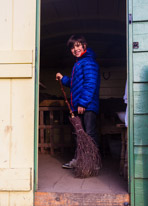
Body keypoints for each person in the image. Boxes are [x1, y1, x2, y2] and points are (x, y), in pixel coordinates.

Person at [56, 34, 100, 169]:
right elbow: (75, 83)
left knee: (89, 133)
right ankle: (79, 159)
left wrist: (82, 103)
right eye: (72, 48)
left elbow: (90, 83)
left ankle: (93, 162)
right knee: (78, 133)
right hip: (79, 105)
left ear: (84, 46)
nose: (75, 49)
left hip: (87, 106)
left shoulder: (88, 62)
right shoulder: (79, 63)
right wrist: (63, 79)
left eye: (78, 46)